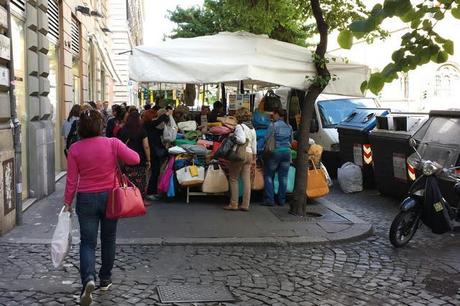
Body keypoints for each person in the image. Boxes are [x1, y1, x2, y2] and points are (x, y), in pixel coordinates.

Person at [63, 109, 140, 306]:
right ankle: (105, 279)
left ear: (80, 127)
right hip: (110, 197)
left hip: (86, 199)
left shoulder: (75, 149)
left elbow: (71, 181)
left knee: (87, 242)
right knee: (108, 239)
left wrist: (67, 203)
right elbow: (135, 159)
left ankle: (88, 279)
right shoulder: (112, 143)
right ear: (101, 126)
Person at [225, 108, 257, 212]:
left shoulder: (239, 126)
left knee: (233, 178)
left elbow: (241, 140)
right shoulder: (252, 128)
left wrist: (233, 137)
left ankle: (234, 203)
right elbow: (254, 144)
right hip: (250, 154)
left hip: (240, 154)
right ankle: (245, 204)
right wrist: (254, 158)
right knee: (246, 180)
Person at [117, 111, 151, 199]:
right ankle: (139, 199)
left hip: (126, 159)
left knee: (127, 180)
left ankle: (128, 198)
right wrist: (148, 160)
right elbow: (146, 146)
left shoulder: (123, 130)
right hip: (140, 159)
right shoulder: (142, 130)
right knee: (140, 181)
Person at [263, 108, 293, 207]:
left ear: (277, 115)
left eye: (273, 114)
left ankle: (270, 200)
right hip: (287, 152)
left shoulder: (273, 125)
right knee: (283, 177)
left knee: (268, 175)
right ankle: (281, 200)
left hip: (275, 152)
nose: (273, 116)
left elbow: (266, 138)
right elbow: (291, 141)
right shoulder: (289, 127)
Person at [144, 108, 170, 200]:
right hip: (152, 152)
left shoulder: (149, 126)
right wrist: (165, 115)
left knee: (155, 172)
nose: (155, 119)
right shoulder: (148, 124)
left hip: (153, 151)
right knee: (154, 172)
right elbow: (157, 122)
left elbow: (159, 131)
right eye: (154, 117)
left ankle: (152, 191)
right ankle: (150, 192)